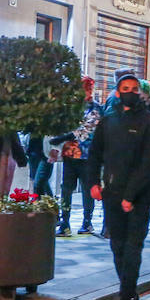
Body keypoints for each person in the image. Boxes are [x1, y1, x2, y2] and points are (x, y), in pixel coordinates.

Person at [87, 70, 150, 300]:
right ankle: (129, 290)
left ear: (140, 93)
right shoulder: (108, 121)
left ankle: (124, 298)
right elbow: (95, 154)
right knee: (117, 245)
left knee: (133, 246)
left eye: (134, 89)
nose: (130, 93)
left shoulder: (149, 121)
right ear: (118, 93)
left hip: (140, 194)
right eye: (125, 89)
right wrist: (93, 183)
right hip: (112, 192)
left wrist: (131, 195)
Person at [51, 76, 101, 236]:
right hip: (70, 155)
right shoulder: (72, 108)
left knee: (86, 189)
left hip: (87, 156)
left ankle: (87, 222)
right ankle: (65, 223)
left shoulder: (95, 108)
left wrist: (63, 137)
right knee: (66, 189)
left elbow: (86, 131)